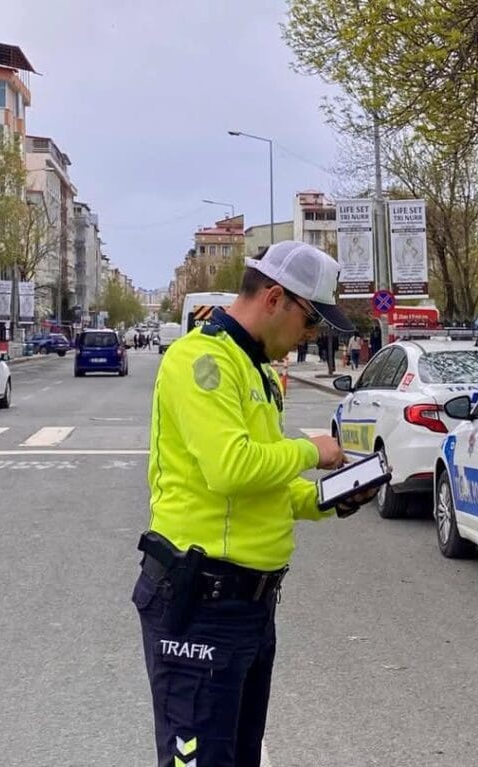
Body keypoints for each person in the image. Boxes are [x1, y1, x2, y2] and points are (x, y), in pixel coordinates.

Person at [132, 240, 376, 767]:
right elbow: (231, 467)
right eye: (310, 324)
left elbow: (265, 484)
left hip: (249, 604)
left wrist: (329, 499)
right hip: (201, 599)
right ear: (274, 299)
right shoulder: (201, 361)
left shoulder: (258, 370)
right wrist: (312, 449)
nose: (308, 338)